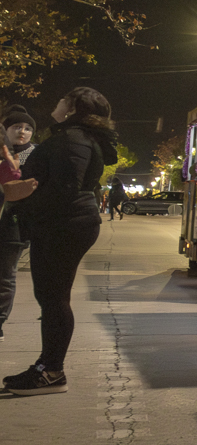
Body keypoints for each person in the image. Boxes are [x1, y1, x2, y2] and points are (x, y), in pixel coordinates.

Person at [1, 87, 118, 396]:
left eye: (62, 100)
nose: (57, 103)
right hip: (62, 223)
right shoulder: (73, 136)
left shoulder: (73, 139)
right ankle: (48, 367)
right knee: (51, 297)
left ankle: (51, 371)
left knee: (54, 297)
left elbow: (64, 189)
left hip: (64, 225)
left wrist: (27, 199)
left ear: (72, 108)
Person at [0, 106, 36, 339]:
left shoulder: (36, 155)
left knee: (5, 275)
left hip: (14, 224)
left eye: (28, 128)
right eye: (17, 127)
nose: (22, 132)